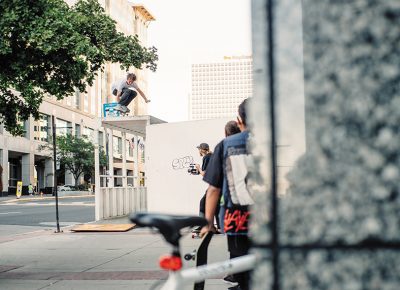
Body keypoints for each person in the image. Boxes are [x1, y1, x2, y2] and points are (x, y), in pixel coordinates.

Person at [201, 98, 253, 290]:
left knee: (242, 271)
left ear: (239, 120)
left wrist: (207, 224)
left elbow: (213, 189)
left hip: (237, 221)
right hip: (269, 221)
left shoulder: (225, 145)